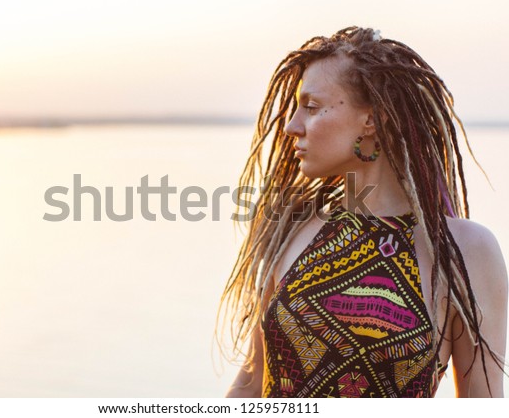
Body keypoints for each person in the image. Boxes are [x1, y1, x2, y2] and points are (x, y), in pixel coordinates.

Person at [217, 26, 507, 398]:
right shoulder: (291, 228)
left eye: (311, 107)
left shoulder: (464, 251)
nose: (292, 126)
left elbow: (481, 403)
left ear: (371, 119)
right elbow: (251, 383)